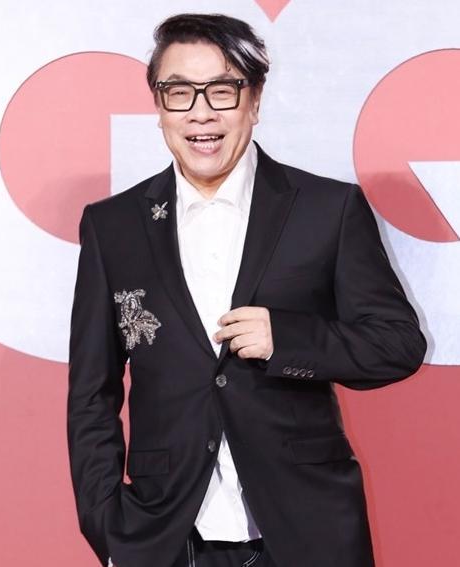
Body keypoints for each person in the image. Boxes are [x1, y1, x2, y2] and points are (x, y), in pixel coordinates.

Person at [67, 13, 426, 567]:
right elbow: (92, 393)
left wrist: (288, 339)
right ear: (159, 106)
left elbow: (398, 344)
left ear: (254, 101)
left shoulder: (327, 209)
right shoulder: (113, 226)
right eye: (179, 92)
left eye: (222, 90)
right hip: (165, 538)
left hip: (308, 535)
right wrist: (108, 526)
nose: (201, 112)